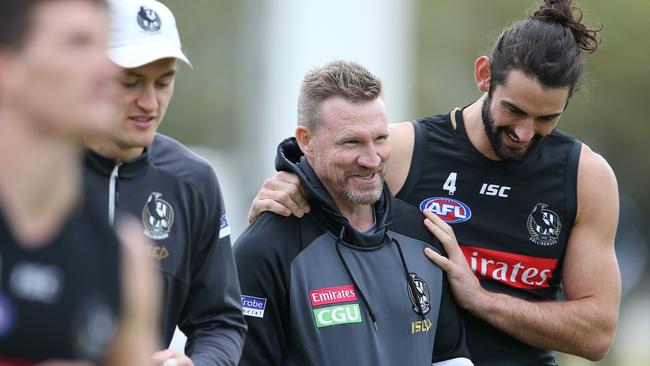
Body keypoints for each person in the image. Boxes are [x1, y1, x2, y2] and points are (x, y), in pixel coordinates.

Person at [246, 0, 621, 365]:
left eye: (546, 119)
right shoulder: (401, 151)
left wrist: (481, 299)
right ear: (484, 75)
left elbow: (597, 334)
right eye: (514, 110)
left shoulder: (585, 177)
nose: (524, 133)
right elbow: (313, 196)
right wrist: (283, 195)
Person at [235, 60, 472, 366]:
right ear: (306, 140)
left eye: (381, 138)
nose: (372, 159)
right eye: (352, 142)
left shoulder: (422, 234)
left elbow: (450, 359)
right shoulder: (265, 249)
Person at [83, 0, 246, 365]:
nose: (149, 102)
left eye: (164, 82)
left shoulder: (194, 181)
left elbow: (220, 321)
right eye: (130, 82)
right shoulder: (35, 166)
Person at [0, 0, 158, 365]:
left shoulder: (125, 256)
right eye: (77, 43)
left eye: (106, 45)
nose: (109, 68)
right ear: (8, 69)